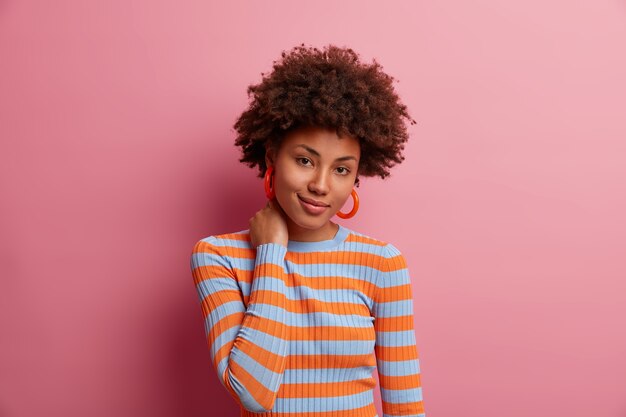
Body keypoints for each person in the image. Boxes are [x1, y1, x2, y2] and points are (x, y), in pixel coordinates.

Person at [190, 44, 425, 417]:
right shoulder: (219, 257)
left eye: (341, 170)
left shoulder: (382, 264)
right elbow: (253, 393)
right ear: (271, 157)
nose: (320, 184)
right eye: (304, 160)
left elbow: (405, 406)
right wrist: (270, 252)